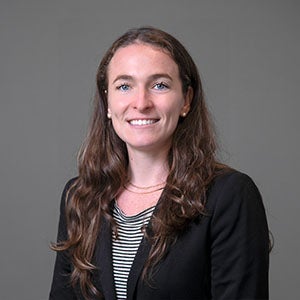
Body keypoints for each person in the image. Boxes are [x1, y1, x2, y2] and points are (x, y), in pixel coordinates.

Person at [49, 27, 269, 300]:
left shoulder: (229, 196)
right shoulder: (80, 196)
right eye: (124, 86)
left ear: (186, 100)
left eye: (160, 85)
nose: (141, 103)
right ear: (107, 101)